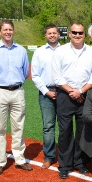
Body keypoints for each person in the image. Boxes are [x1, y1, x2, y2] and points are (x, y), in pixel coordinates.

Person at [52, 22, 92, 179]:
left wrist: (80, 91)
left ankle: (79, 163)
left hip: (85, 95)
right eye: (74, 32)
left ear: (84, 35)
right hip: (65, 95)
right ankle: (65, 165)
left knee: (82, 131)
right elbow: (57, 76)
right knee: (65, 131)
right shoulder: (60, 51)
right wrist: (72, 91)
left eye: (80, 33)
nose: (77, 35)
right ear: (70, 34)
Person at [0, 19, 32, 175]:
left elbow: (25, 72)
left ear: (13, 31)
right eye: (5, 29)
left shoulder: (21, 51)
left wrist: (14, 84)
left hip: (18, 91)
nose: (8, 32)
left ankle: (19, 159)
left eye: (10, 29)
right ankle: (0, 161)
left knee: (19, 126)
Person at [31, 24, 61, 169]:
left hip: (63, 92)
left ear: (58, 34)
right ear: (45, 35)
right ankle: (49, 156)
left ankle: (64, 156)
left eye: (54, 33)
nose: (52, 35)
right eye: (49, 33)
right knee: (48, 126)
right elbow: (35, 76)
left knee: (64, 126)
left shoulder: (65, 50)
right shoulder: (39, 52)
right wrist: (46, 91)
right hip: (46, 93)